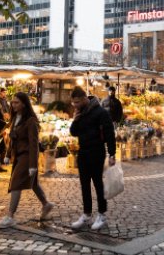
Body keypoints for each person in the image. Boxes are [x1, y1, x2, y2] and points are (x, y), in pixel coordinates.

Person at [0, 92, 55, 228]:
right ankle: (46, 204)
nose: (13, 104)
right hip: (18, 156)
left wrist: (33, 165)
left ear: (24, 104)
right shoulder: (15, 118)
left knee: (16, 183)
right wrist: (7, 154)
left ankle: (10, 216)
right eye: (13, 102)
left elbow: (34, 144)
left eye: (17, 102)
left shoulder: (31, 122)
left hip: (27, 156)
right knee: (33, 183)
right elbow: (12, 138)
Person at [69, 86, 117, 231]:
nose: (75, 105)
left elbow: (109, 133)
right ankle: (86, 213)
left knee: (97, 183)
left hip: (97, 151)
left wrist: (112, 154)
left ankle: (102, 214)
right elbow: (73, 133)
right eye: (73, 103)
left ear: (85, 99)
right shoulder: (80, 113)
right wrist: (75, 120)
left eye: (77, 102)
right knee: (84, 184)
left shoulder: (100, 112)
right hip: (83, 152)